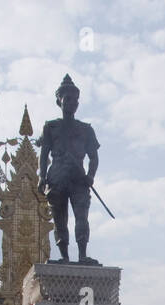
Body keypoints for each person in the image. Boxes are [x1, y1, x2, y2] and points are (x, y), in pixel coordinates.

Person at [37, 74, 100, 264]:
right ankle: (64, 255)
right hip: (57, 175)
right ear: (60, 100)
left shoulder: (86, 129)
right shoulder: (51, 127)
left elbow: (94, 157)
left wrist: (90, 176)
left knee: (82, 217)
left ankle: (82, 255)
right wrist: (42, 177)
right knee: (59, 218)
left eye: (75, 100)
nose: (72, 103)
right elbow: (44, 153)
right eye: (68, 99)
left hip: (78, 178)